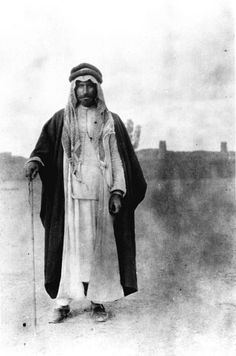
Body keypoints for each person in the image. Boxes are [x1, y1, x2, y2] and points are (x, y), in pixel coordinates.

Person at [25, 63, 147, 323]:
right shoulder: (61, 119)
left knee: (98, 249)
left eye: (89, 85)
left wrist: (117, 192)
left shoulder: (109, 120)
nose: (85, 90)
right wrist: (35, 161)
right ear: (73, 88)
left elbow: (117, 158)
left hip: (101, 197)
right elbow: (44, 148)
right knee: (69, 248)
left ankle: (98, 301)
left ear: (98, 88)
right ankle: (62, 303)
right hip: (70, 197)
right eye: (80, 85)